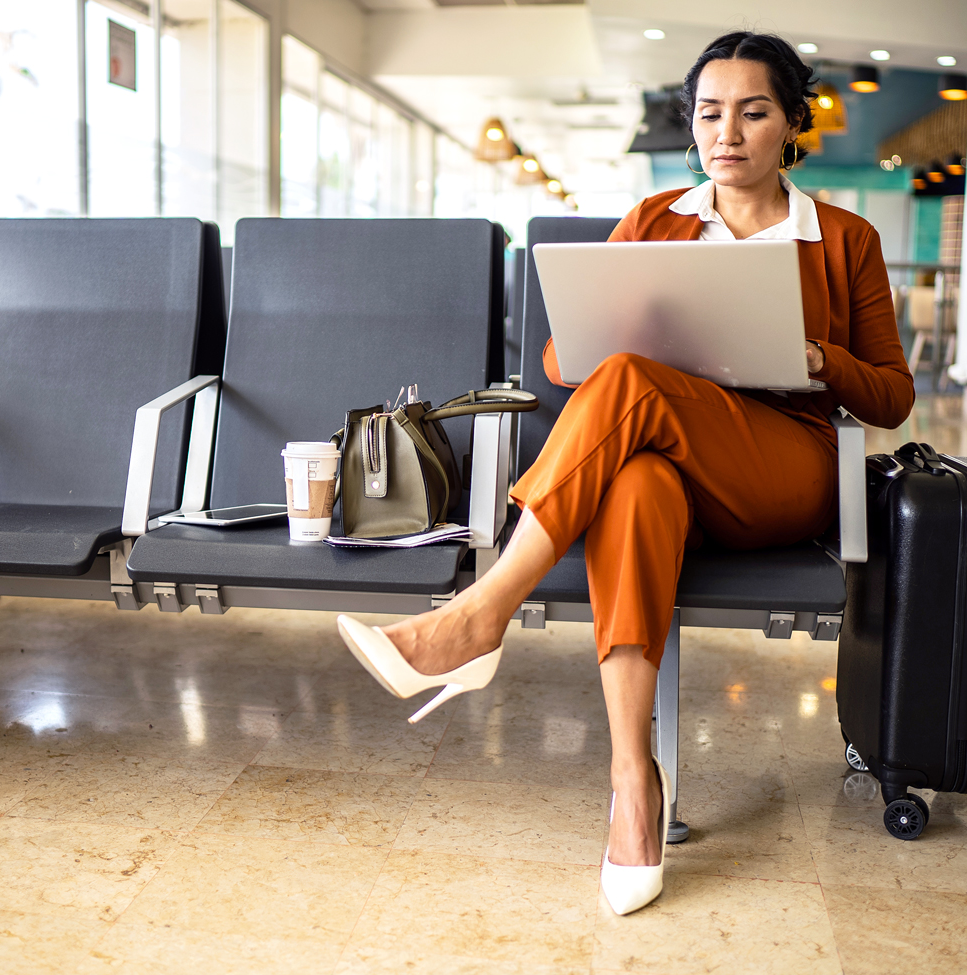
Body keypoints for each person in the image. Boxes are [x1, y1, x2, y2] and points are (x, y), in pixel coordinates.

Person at [336, 31, 914, 916]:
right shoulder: (656, 217)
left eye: (753, 111)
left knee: (633, 387)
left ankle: (481, 614)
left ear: (791, 122)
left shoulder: (843, 238)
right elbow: (567, 356)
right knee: (636, 478)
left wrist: (814, 355)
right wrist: (630, 332)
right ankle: (632, 783)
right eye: (710, 112)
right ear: (691, 124)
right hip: (666, 453)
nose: (728, 132)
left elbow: (893, 395)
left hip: (783, 467)